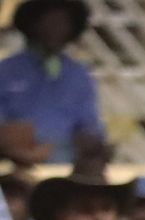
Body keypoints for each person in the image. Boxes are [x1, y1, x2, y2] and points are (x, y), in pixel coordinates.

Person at [0, 0, 104, 166]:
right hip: (13, 166)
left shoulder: (78, 74)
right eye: (50, 22)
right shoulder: (6, 71)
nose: (56, 30)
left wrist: (90, 140)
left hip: (67, 166)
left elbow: (89, 123)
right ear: (34, 25)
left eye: (62, 23)